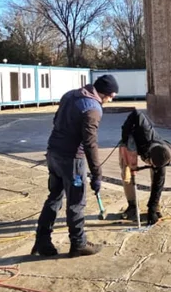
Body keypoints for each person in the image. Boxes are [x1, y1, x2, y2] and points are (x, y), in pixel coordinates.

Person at [31, 74, 119, 257]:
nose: (111, 100)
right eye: (111, 96)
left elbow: (56, 120)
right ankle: (78, 243)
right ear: (104, 94)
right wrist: (97, 174)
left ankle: (42, 241)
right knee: (76, 202)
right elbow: (90, 144)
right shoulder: (93, 109)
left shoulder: (70, 95)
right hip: (72, 159)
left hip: (53, 152)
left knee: (54, 197)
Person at [118, 108, 171, 225]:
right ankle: (132, 205)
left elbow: (159, 183)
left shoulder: (164, 156)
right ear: (149, 157)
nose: (151, 165)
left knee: (156, 178)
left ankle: (156, 207)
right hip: (130, 143)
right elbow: (136, 113)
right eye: (151, 163)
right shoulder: (145, 130)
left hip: (147, 150)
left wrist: (151, 209)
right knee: (126, 174)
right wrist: (125, 136)